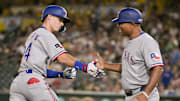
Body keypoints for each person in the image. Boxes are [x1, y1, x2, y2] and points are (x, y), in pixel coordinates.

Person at [9, 5, 104, 101]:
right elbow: (63, 58)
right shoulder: (45, 34)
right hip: (33, 82)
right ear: (49, 17)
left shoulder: (33, 35)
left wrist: (61, 74)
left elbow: (36, 69)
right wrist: (86, 67)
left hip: (18, 84)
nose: (62, 24)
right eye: (60, 19)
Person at [96, 8, 164, 101]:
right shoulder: (132, 42)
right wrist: (105, 65)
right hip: (133, 95)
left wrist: (146, 94)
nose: (118, 26)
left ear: (132, 24)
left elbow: (158, 68)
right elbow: (128, 68)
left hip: (143, 94)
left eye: (121, 23)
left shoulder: (147, 41)